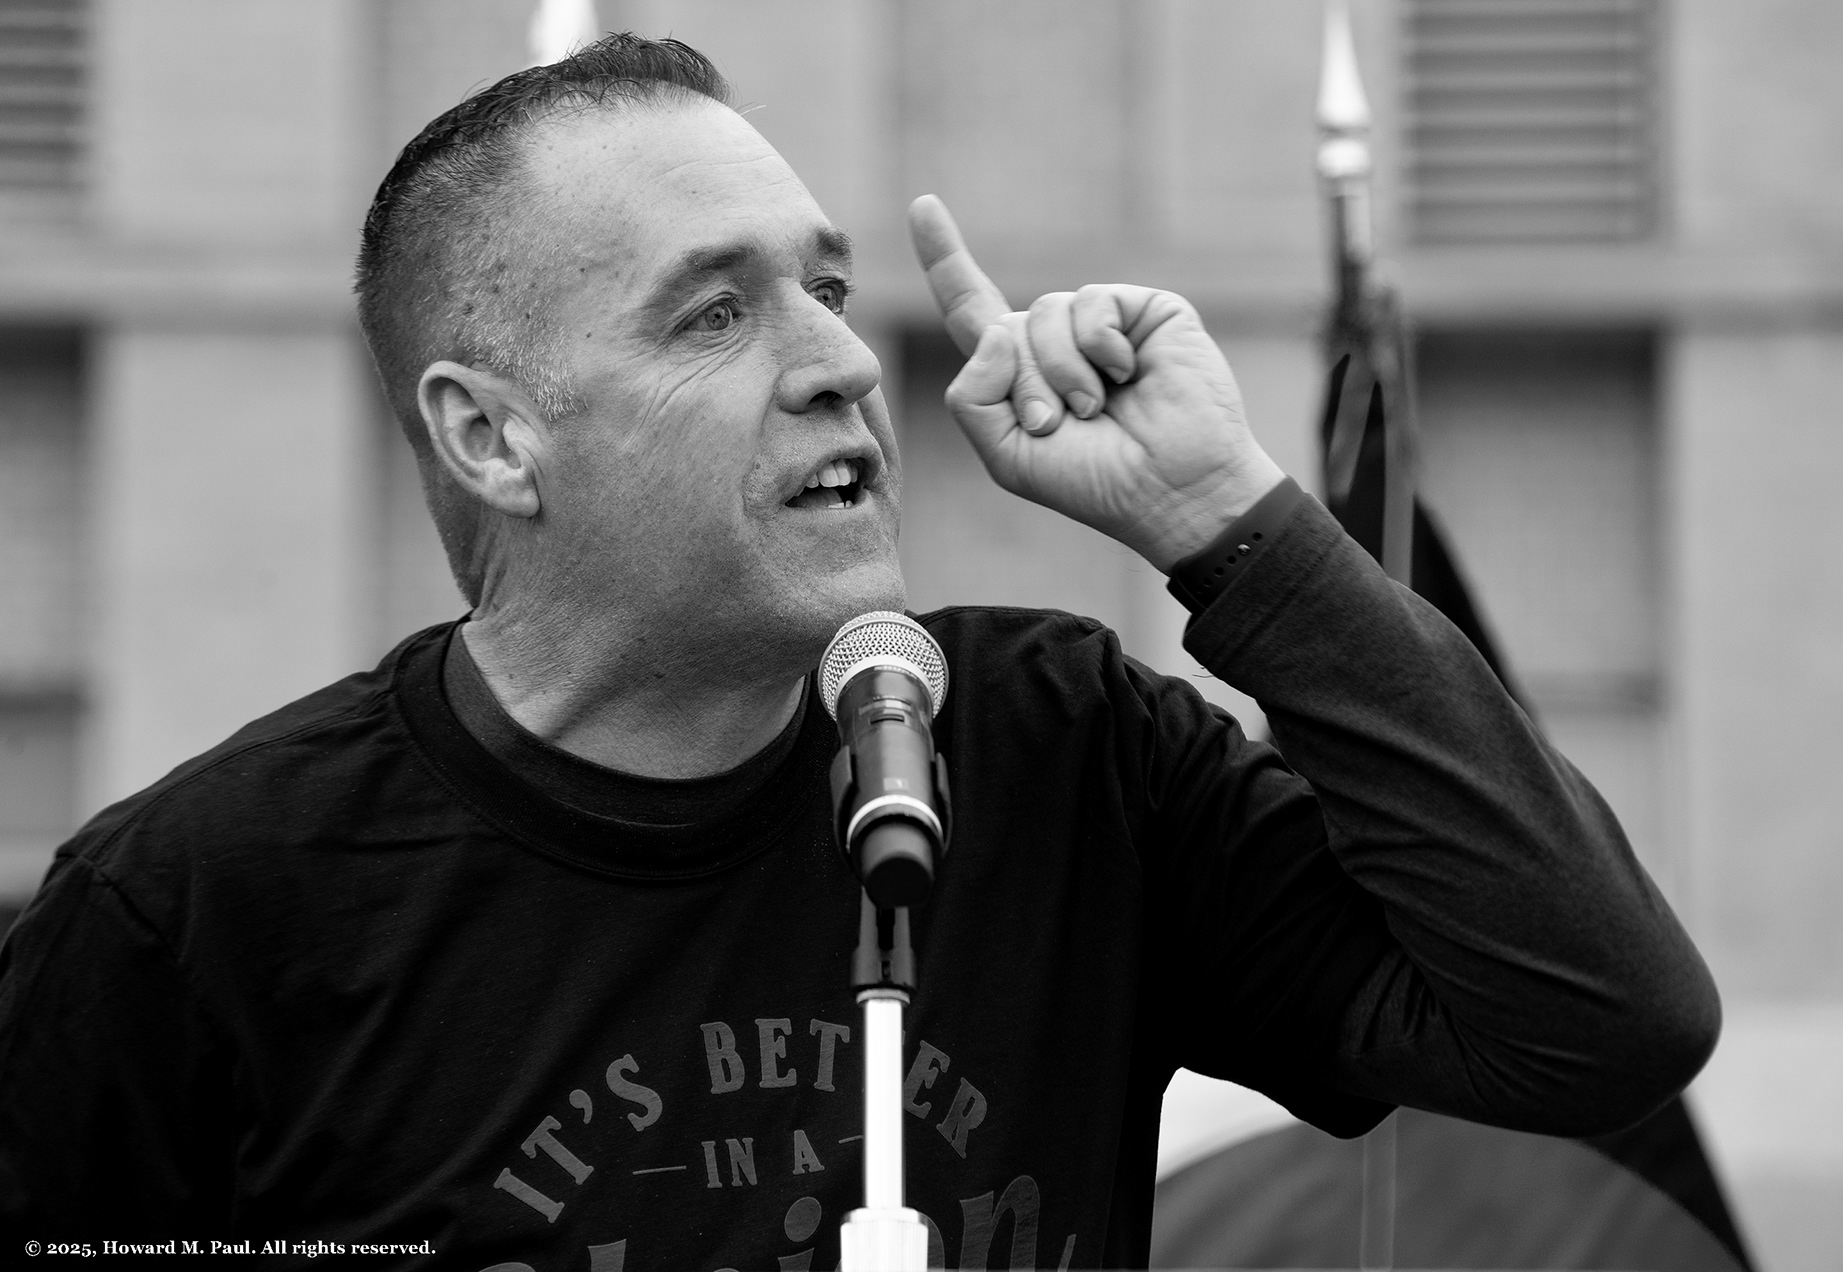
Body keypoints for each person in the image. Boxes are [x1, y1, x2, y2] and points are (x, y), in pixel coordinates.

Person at [0, 34, 1718, 1270]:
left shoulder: (1061, 751)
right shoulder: (197, 908)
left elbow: (1602, 1024)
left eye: (826, 285)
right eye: (717, 311)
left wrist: (1228, 522)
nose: (840, 360)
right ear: (491, 437)